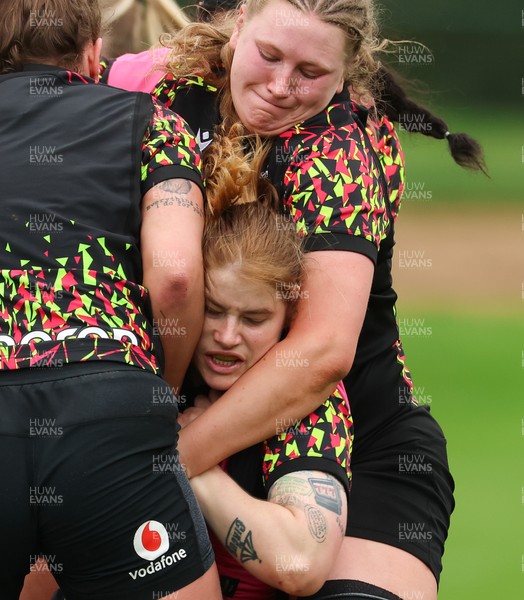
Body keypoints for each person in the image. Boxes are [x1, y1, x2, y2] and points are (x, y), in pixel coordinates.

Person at [99, 1, 486, 598]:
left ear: (348, 69)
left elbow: (323, 351)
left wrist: (165, 456)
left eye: (310, 73)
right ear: (242, 19)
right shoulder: (157, 86)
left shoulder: (343, 148)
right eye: (269, 55)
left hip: (352, 442)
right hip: (177, 424)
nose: (281, 87)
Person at [0, 1, 221, 599]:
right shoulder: (150, 120)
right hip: (106, 412)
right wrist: (161, 389)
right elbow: (174, 276)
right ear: (94, 51)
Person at [183, 130, 352, 598]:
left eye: (254, 318)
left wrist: (196, 466)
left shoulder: (307, 400)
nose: (227, 335)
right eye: (213, 309)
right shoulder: (158, 372)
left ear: (289, 318)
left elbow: (300, 562)